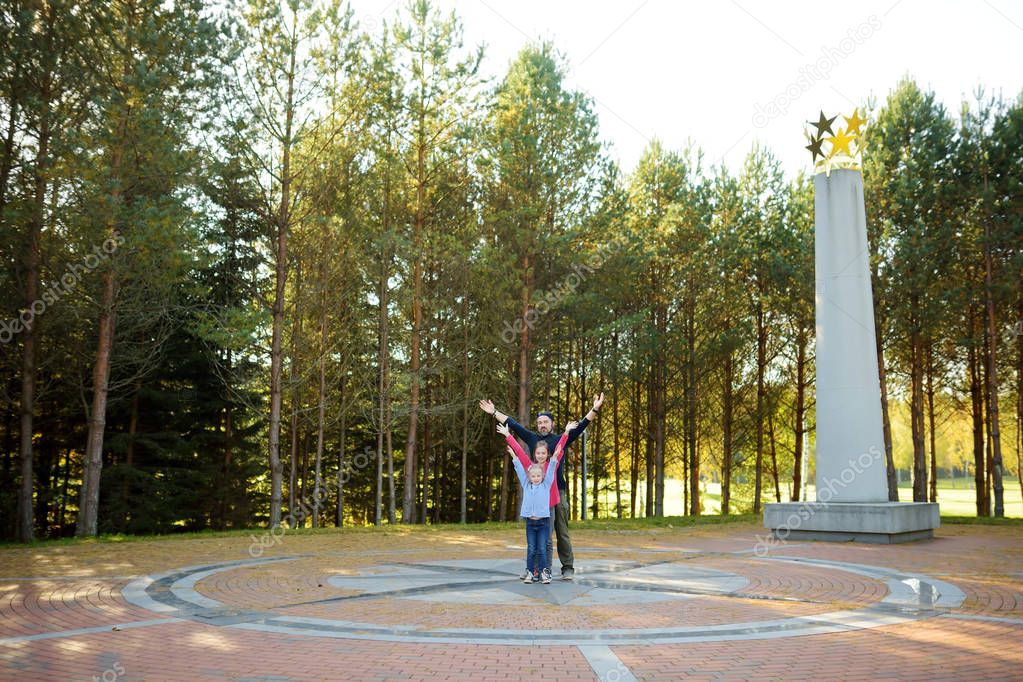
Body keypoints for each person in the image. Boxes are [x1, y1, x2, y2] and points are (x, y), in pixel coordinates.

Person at [479, 394, 604, 580]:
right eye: (539, 422)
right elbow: (513, 424)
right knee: (541, 534)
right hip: (538, 495)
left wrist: (594, 409)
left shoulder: (561, 438)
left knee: (561, 531)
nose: (542, 425)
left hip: (557, 492)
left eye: (545, 421)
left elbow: (583, 424)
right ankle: (536, 568)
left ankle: (567, 567)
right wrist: (494, 412)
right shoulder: (532, 439)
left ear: (552, 424)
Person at [504, 422, 574, 584]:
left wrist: (566, 433)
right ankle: (533, 569)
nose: (541, 455)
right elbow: (520, 453)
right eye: (538, 453)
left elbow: (559, 449)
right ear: (535, 454)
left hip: (548, 507)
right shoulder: (531, 468)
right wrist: (508, 436)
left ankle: (545, 569)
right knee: (534, 543)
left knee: (547, 541)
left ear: (547, 454)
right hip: (534, 511)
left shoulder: (551, 467)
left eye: (544, 453)